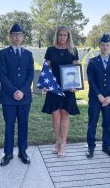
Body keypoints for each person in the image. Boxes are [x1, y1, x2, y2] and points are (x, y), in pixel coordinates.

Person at [0, 23, 34, 166]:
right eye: (14, 35)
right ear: (10, 37)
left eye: (19, 35)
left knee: (23, 125)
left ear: (22, 37)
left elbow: (30, 74)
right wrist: (14, 91)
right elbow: (2, 74)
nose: (17, 37)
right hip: (8, 97)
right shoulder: (3, 53)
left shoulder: (28, 54)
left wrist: (23, 91)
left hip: (24, 97)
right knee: (9, 126)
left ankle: (23, 152)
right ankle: (7, 153)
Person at [41, 26, 79, 157]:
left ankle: (64, 143)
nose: (62, 37)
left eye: (65, 35)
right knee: (55, 115)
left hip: (68, 88)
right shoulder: (50, 50)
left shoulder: (73, 50)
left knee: (65, 115)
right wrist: (45, 85)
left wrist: (75, 85)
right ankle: (57, 141)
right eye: (60, 35)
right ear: (57, 35)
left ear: (68, 37)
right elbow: (46, 68)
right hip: (54, 87)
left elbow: (75, 70)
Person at [86, 33, 110, 159]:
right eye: (102, 45)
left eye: (107, 45)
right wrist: (99, 95)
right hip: (95, 98)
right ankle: (90, 147)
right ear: (99, 46)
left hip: (109, 99)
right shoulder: (93, 61)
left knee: (107, 123)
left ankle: (106, 146)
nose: (105, 47)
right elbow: (91, 80)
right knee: (92, 123)